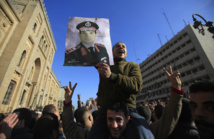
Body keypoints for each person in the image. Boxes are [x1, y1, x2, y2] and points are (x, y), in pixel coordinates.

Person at [88, 42, 154, 139]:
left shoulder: (132, 66)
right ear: (111, 52)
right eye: (117, 46)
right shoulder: (103, 65)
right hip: (105, 110)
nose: (121, 47)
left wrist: (112, 76)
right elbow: (88, 53)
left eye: (124, 46)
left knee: (145, 134)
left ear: (126, 53)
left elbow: (137, 86)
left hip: (128, 109)